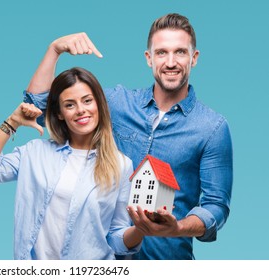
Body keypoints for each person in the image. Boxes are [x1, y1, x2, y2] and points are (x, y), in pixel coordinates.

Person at [23, 13, 233, 259]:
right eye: (162, 52)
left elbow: (215, 206)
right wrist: (54, 50)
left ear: (194, 58)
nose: (171, 62)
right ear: (149, 58)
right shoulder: (117, 104)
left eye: (180, 52)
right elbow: (38, 110)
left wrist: (178, 228)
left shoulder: (212, 128)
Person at [0, 67, 144, 259]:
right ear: (60, 113)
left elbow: (116, 238)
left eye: (87, 101)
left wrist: (141, 230)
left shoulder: (121, 165)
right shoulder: (35, 152)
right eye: (70, 105)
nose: (81, 110)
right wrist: (12, 122)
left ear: (99, 104)